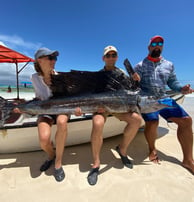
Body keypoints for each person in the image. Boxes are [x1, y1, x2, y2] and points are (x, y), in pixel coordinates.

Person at [134, 35, 194, 174]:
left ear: (162, 47)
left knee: (186, 121)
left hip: (163, 98)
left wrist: (181, 89)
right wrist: (136, 80)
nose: (157, 45)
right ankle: (152, 149)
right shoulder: (139, 66)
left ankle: (188, 160)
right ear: (149, 47)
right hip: (146, 98)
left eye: (160, 43)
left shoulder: (169, 64)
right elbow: (135, 86)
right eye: (154, 43)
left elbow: (173, 82)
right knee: (153, 121)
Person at [87, 45, 142, 185]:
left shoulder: (122, 73)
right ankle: (96, 164)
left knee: (136, 120)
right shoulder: (98, 75)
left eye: (113, 55)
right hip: (101, 107)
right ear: (103, 58)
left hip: (118, 107)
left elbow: (133, 91)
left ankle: (122, 150)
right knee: (97, 123)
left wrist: (136, 80)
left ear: (116, 57)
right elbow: (92, 94)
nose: (111, 58)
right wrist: (96, 107)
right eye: (108, 55)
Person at [31, 47, 81, 182]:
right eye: (50, 58)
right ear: (39, 60)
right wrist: (26, 108)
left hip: (62, 109)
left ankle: (58, 162)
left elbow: (71, 96)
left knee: (62, 122)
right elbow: (39, 97)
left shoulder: (61, 77)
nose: (54, 61)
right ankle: (52, 155)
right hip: (46, 110)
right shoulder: (34, 78)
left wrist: (76, 108)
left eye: (55, 58)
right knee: (43, 140)